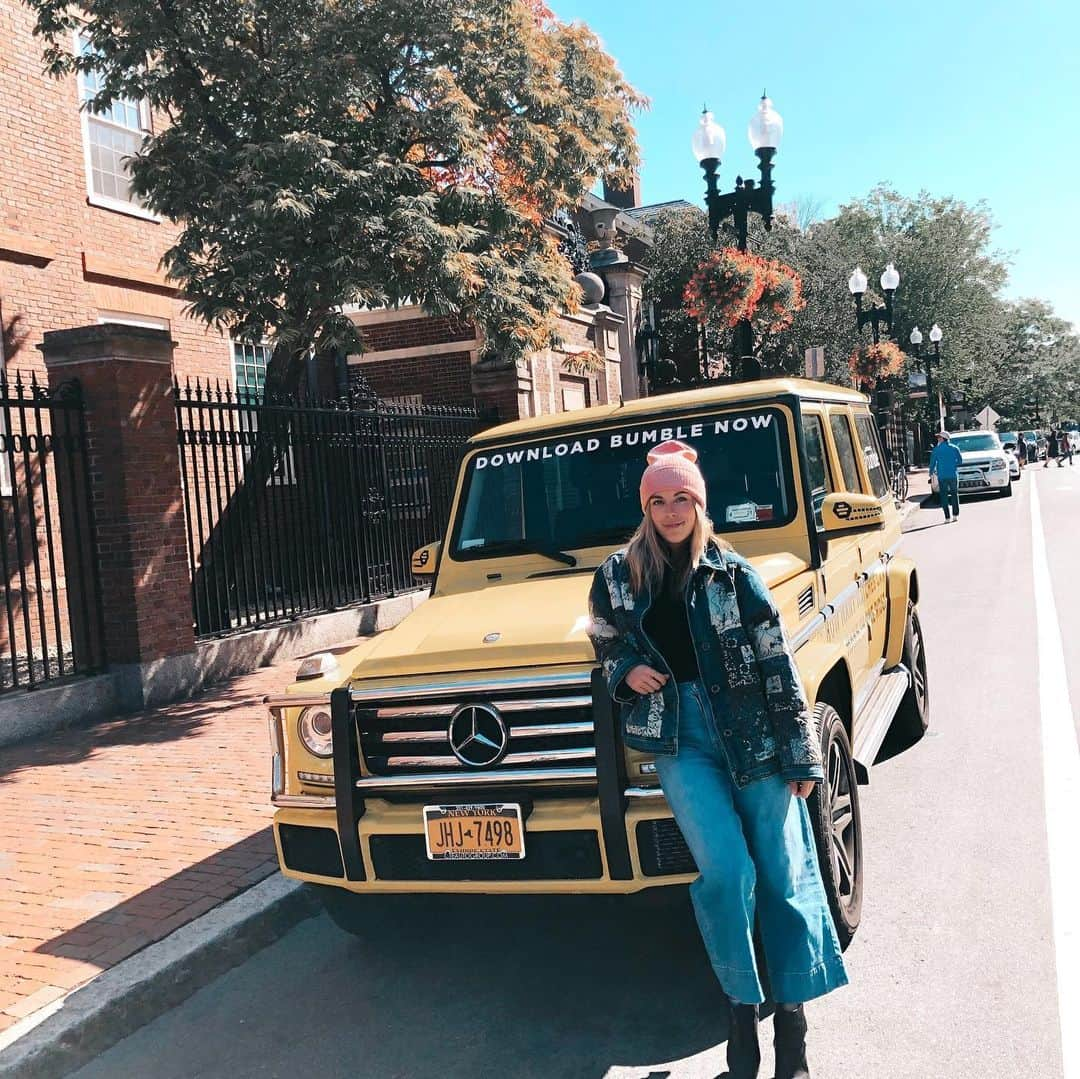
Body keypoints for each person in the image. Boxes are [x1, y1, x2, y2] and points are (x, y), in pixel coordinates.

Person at [587, 441, 847, 1079]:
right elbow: (600, 632)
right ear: (645, 507)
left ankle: (792, 1024)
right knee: (728, 874)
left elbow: (777, 663)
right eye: (658, 500)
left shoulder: (735, 573)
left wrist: (801, 755)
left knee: (783, 874)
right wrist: (627, 668)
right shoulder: (618, 574)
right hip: (681, 740)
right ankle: (740, 1013)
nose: (670, 511)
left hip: (755, 735)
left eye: (681, 498)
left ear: (699, 503)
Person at [929, 431, 962, 523]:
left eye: (939, 437)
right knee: (954, 494)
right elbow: (960, 461)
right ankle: (955, 515)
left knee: (943, 496)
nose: (938, 439)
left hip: (942, 476)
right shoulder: (955, 448)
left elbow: (932, 463)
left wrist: (931, 473)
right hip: (953, 475)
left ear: (943, 439)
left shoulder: (936, 450)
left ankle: (947, 517)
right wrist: (953, 465)